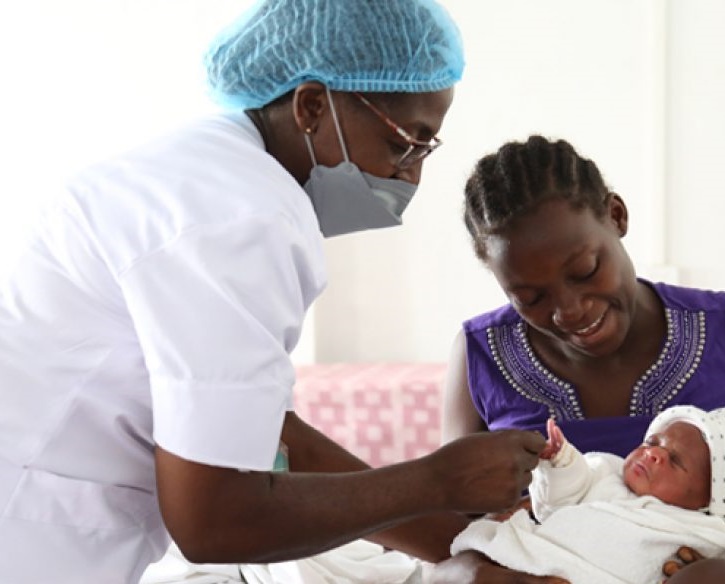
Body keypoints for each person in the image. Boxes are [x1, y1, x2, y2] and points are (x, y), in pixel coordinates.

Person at [0, 2, 553, 583]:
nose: (411, 176)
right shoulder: (247, 217)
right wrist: (436, 480)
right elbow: (213, 522)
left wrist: (466, 544)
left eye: (425, 150)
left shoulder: (201, 171)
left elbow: (263, 429)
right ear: (312, 105)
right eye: (405, 143)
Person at [434, 135, 725, 583]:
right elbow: (451, 535)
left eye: (585, 271)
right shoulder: (481, 355)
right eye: (530, 297)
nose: (570, 310)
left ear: (617, 216)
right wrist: (471, 574)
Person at [451, 405, 725, 584]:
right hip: (536, 560)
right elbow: (556, 503)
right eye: (653, 442)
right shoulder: (605, 472)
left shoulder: (707, 530)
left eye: (674, 461)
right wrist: (561, 463)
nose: (653, 453)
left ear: (710, 499)